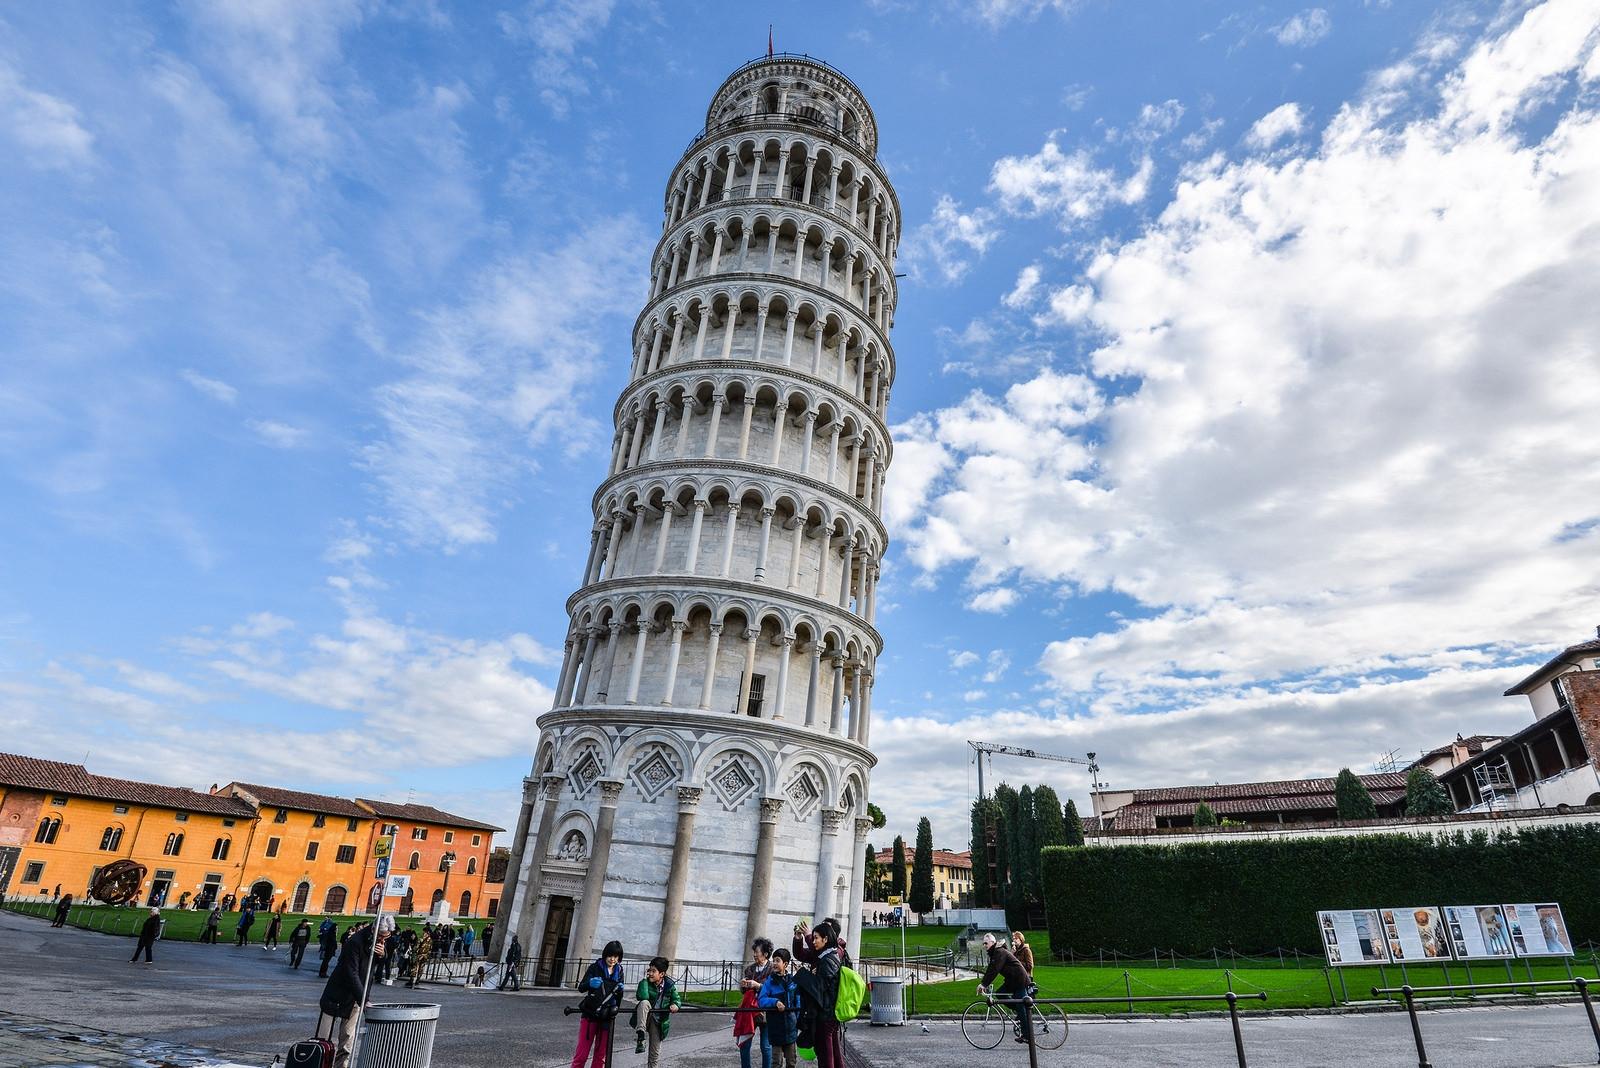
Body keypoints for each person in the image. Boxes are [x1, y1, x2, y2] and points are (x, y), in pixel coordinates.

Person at [318, 920, 385, 1068]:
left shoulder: (376, 942)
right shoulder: (355, 942)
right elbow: (351, 973)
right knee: (323, 1038)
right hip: (337, 994)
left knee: (348, 1038)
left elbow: (369, 969)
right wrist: (364, 999)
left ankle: (341, 1066)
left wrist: (381, 955)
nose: (383, 940)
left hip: (356, 996)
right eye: (381, 936)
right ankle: (320, 1064)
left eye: (386, 937)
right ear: (374, 930)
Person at [572, 940, 625, 1068]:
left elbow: (618, 999)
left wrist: (620, 992)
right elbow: (581, 987)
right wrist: (590, 983)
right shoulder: (595, 967)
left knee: (600, 1056)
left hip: (607, 1016)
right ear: (605, 955)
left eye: (616, 957)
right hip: (590, 1015)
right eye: (610, 956)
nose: (612, 959)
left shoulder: (620, 971)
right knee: (581, 1055)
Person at [978, 933, 1035, 1044]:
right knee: (1000, 993)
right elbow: (991, 968)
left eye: (986, 943)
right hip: (1012, 980)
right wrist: (984, 983)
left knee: (1021, 1006)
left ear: (993, 942)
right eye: (983, 943)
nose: (984, 945)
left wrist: (983, 984)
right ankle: (1019, 1009)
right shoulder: (996, 952)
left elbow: (995, 969)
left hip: (1019, 980)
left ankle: (1028, 1036)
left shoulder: (999, 952)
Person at [631, 954, 680, 1068]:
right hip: (645, 1017)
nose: (650, 973)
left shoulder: (670, 986)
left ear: (662, 974)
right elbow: (642, 996)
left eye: (653, 971)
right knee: (644, 1003)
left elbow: (677, 1000)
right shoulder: (646, 983)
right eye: (649, 970)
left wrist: (675, 1005)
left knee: (655, 1053)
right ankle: (641, 1035)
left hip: (659, 1021)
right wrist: (644, 981)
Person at [758, 948, 801, 1068]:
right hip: (776, 1028)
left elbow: (798, 1002)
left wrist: (797, 1019)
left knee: (791, 1061)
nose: (774, 963)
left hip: (791, 1028)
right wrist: (775, 1002)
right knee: (776, 1062)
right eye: (773, 961)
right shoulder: (769, 982)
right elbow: (761, 1000)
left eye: (778, 961)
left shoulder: (793, 981)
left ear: (785, 964)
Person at [741, 938, 775, 1068]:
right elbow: (744, 992)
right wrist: (744, 985)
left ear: (765, 954)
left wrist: (758, 985)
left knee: (765, 1046)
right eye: (754, 952)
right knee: (745, 1043)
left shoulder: (772, 969)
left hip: (766, 1010)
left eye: (757, 952)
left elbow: (773, 990)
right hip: (750, 1010)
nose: (754, 954)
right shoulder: (750, 969)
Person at [407, 925, 433, 989]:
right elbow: (430, 949)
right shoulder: (430, 940)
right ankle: (418, 980)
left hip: (419, 955)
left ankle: (412, 980)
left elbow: (416, 947)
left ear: (426, 932)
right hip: (425, 956)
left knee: (414, 967)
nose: (423, 933)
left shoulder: (421, 939)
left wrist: (413, 950)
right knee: (421, 968)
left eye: (424, 932)